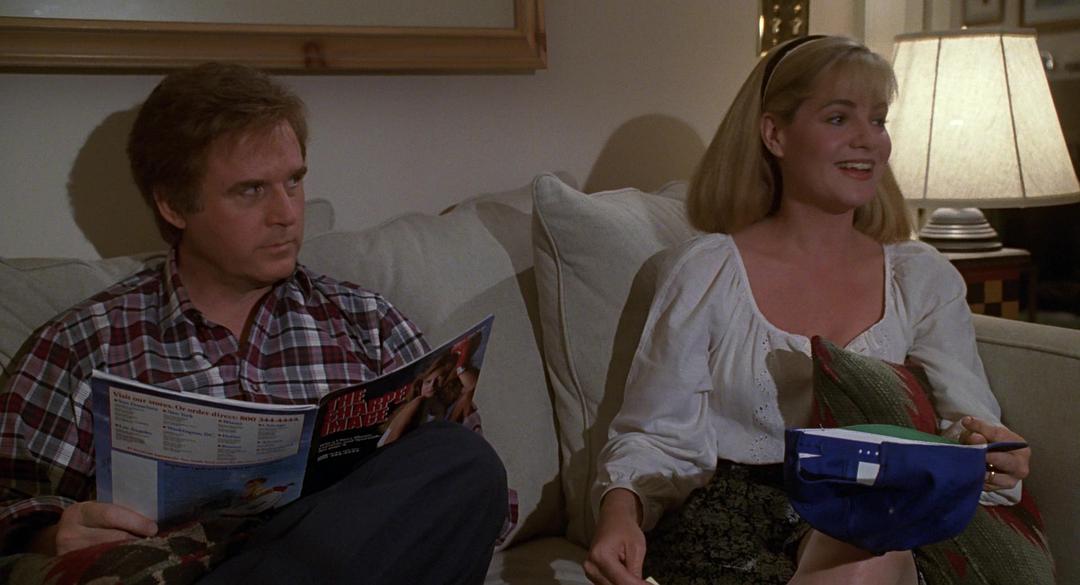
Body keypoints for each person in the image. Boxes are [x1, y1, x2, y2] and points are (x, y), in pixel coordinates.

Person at [0, 62, 507, 585]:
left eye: (294, 181)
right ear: (173, 204)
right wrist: (51, 536)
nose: (286, 213)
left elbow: (477, 504)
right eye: (251, 190)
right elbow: (11, 511)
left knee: (464, 459)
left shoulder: (368, 323)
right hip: (184, 570)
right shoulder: (85, 342)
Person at [584, 36, 1034, 585]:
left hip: (882, 512)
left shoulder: (920, 277)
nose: (868, 139)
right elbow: (657, 436)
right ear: (775, 134)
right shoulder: (706, 273)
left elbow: (965, 424)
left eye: (878, 120)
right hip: (737, 523)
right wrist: (619, 514)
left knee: (868, 546)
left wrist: (990, 453)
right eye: (839, 118)